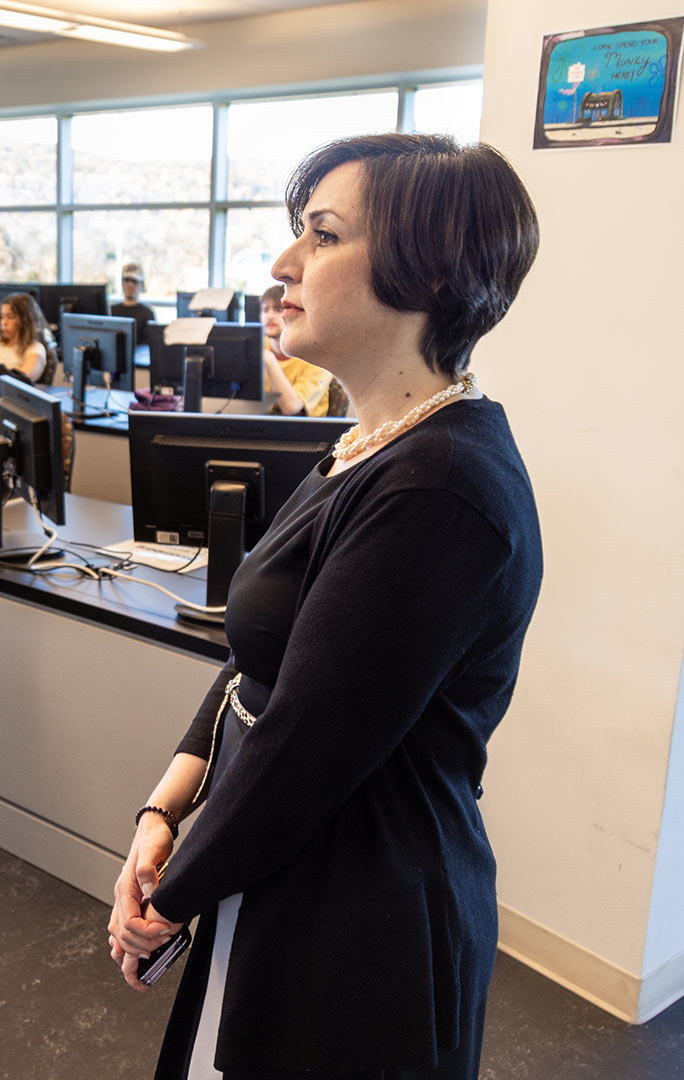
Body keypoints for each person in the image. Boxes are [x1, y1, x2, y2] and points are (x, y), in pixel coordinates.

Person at [108, 133, 543, 1080]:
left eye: (323, 235)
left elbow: (305, 742)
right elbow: (258, 660)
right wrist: (162, 807)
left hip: (363, 908)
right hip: (284, 861)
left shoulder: (441, 487)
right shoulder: (369, 444)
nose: (283, 263)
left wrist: (167, 895)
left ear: (428, 273)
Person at [261, 283, 331, 415]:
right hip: (259, 427)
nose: (269, 316)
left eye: (278, 309)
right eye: (265, 310)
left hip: (305, 432)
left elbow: (292, 408)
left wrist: (269, 360)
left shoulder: (318, 356)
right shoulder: (257, 347)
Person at [0, 291, 52, 383]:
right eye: (2, 317)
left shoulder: (35, 349)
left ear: (25, 320)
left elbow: (24, 381)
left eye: (10, 317)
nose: (4, 323)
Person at [110, 261, 155, 345]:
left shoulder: (147, 313)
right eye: (126, 280)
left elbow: (148, 345)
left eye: (134, 281)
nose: (130, 285)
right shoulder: (111, 311)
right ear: (122, 284)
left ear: (142, 285)